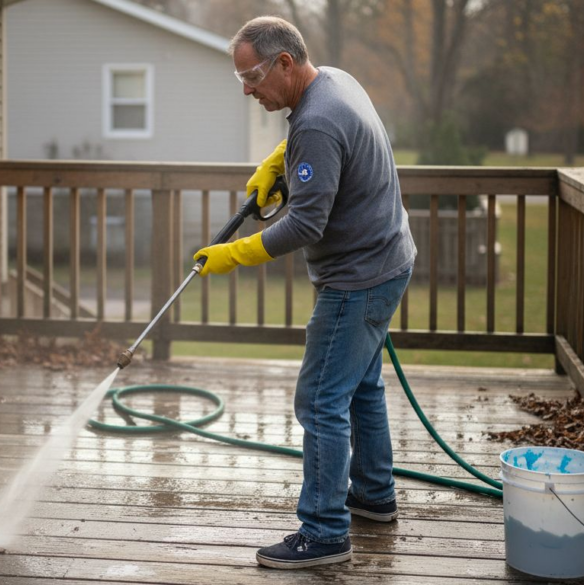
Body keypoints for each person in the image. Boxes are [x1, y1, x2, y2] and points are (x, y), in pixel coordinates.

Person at [193, 16, 417, 570]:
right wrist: (279, 161)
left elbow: (303, 226)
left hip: (357, 278)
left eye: (252, 77)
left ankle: (323, 531)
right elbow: (322, 145)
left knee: (319, 400)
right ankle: (373, 495)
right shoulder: (334, 81)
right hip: (389, 262)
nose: (247, 90)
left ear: (285, 64)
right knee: (360, 385)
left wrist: (233, 254)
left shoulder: (316, 120)